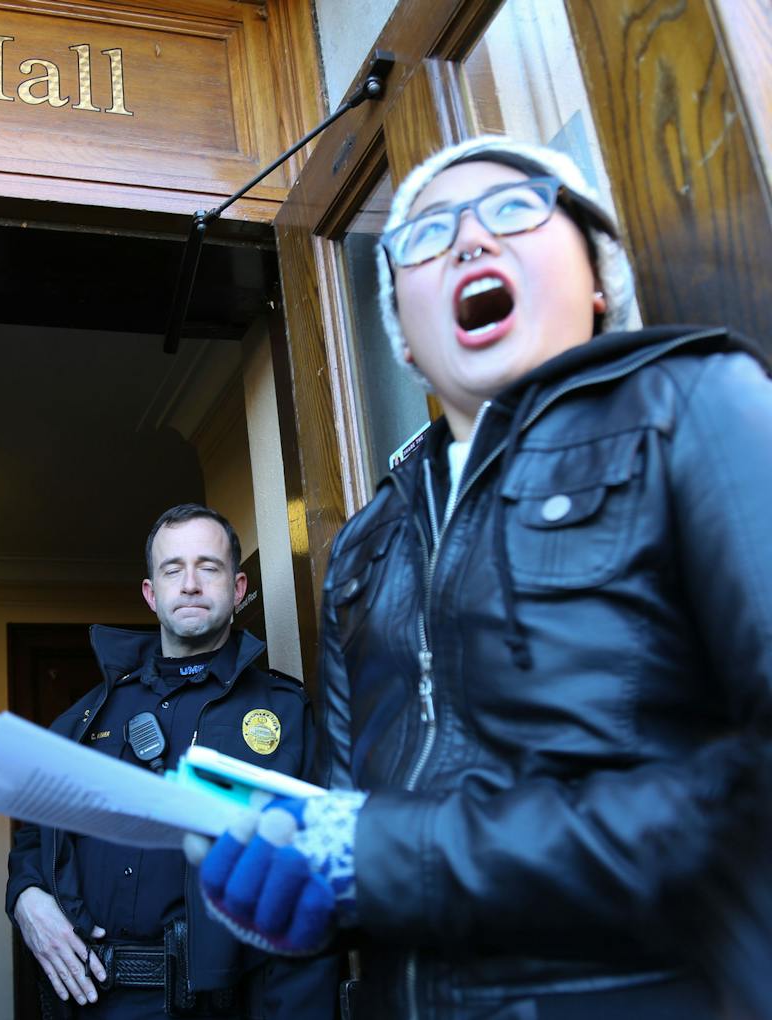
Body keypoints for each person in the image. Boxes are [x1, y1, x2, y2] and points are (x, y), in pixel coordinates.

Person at [189, 135, 772, 1017]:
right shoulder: (364, 544)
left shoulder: (693, 402)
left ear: (598, 277)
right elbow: (364, 816)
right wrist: (312, 900)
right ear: (407, 341)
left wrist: (380, 858)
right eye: (424, 234)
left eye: (513, 209)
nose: (468, 241)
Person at [6, 504, 336, 1019]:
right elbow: (35, 833)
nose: (190, 584)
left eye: (209, 567)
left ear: (239, 585)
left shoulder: (284, 713)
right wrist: (25, 895)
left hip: (222, 1004)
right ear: (151, 593)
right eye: (172, 569)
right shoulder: (89, 714)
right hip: (93, 999)